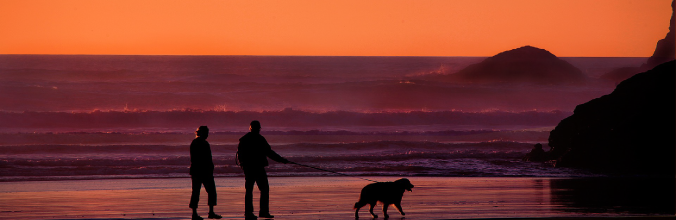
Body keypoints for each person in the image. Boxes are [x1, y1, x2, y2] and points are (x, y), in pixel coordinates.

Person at [237, 121, 289, 219]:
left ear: (250, 128)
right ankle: (262, 212)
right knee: (264, 189)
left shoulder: (244, 139)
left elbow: (240, 155)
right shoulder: (259, 139)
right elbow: (269, 152)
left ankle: (250, 213)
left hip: (249, 168)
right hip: (257, 168)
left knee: (249, 191)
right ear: (257, 128)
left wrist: (242, 165)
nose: (258, 130)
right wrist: (282, 160)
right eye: (258, 128)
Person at [189, 126, 222, 220]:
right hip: (201, 171)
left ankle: (198, 213)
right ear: (201, 133)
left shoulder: (198, 142)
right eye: (206, 132)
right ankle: (206, 213)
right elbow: (200, 158)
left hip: (199, 170)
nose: (208, 134)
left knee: (198, 192)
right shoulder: (200, 143)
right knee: (208, 191)